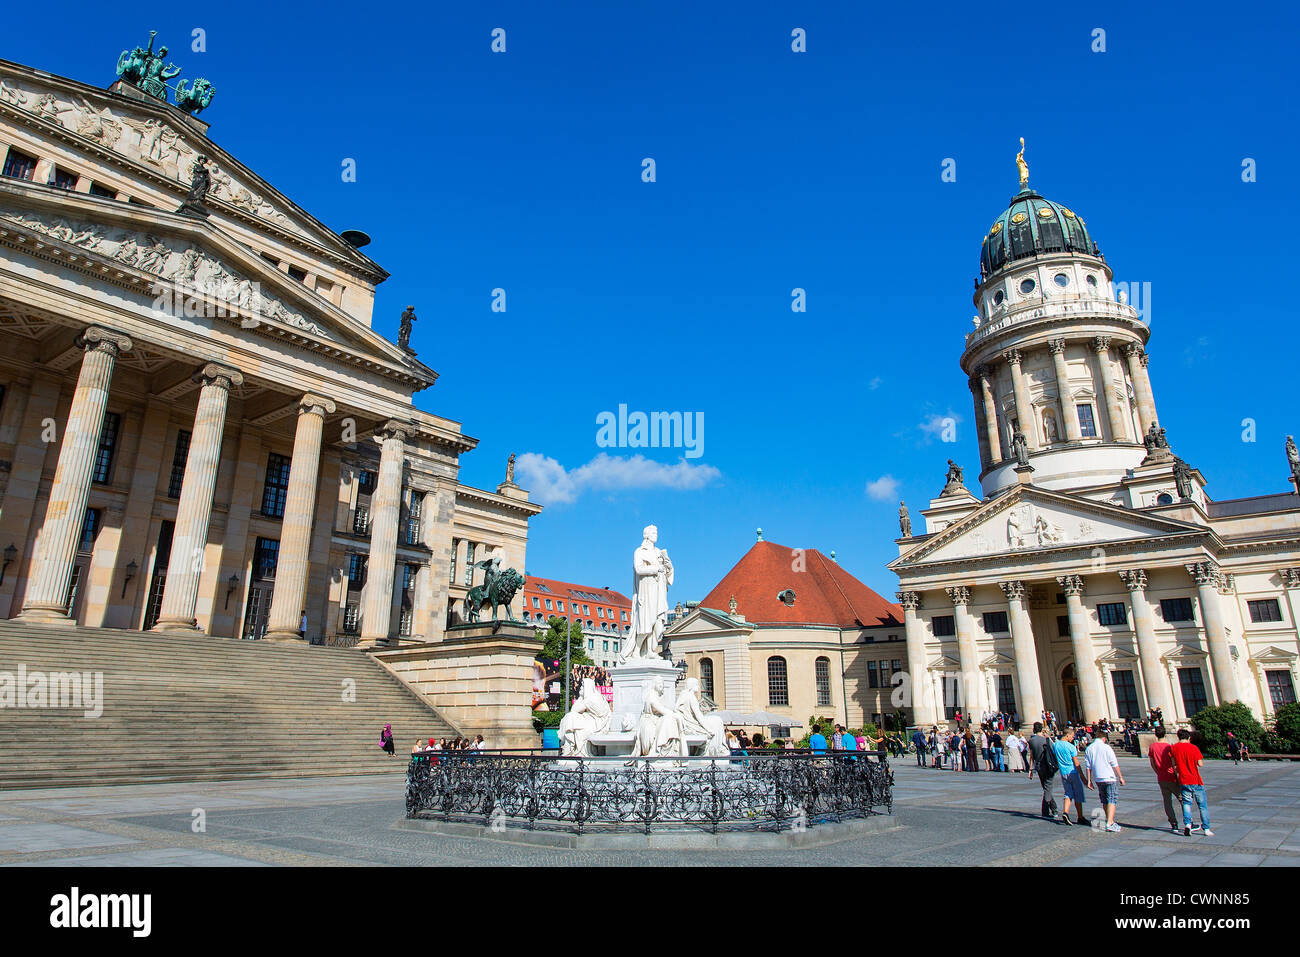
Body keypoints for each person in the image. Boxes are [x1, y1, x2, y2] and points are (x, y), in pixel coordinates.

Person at [1171, 728, 1212, 837]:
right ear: (1188, 738)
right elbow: (1200, 764)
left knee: (1187, 803)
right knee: (1202, 805)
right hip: (1195, 780)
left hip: (1183, 780)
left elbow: (1174, 765)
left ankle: (1188, 824)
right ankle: (1206, 828)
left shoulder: (1174, 748)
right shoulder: (1193, 748)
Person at [1084, 728, 1125, 832]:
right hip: (1109, 777)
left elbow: (1088, 766)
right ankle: (1110, 822)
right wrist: (1120, 776)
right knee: (1112, 798)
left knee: (1104, 799)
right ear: (1104, 738)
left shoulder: (1089, 748)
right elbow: (1114, 764)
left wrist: (1089, 780)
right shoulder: (1106, 747)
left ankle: (1109, 819)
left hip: (1098, 778)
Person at [1147, 726, 1181, 832]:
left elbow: (1152, 763)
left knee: (1167, 802)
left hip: (1161, 777)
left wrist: (1158, 772)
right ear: (1165, 734)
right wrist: (1177, 776)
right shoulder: (1169, 747)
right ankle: (1189, 821)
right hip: (1172, 777)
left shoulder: (1152, 747)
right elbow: (1173, 763)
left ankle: (1173, 823)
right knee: (1182, 799)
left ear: (1156, 735)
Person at [1053, 728, 1086, 826]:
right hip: (1073, 772)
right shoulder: (1070, 747)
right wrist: (1083, 777)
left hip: (1063, 772)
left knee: (1068, 793)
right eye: (1072, 736)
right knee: (1078, 795)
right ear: (1067, 735)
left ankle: (1065, 812)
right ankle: (1080, 816)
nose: (1073, 738)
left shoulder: (1056, 745)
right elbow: (1076, 763)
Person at [1028, 722, 1058, 817]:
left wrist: (1030, 769)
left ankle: (1054, 808)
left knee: (1046, 788)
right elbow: (1054, 750)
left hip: (1039, 767)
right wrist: (1048, 737)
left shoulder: (1031, 741)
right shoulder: (1046, 740)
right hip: (1048, 766)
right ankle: (1045, 811)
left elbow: (1032, 756)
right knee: (1047, 789)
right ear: (1041, 729)